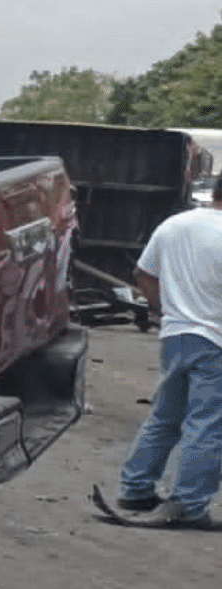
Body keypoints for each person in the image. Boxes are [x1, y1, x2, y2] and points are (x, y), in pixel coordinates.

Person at [114, 184, 222, 528]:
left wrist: (166, 308)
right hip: (216, 341)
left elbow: (144, 275)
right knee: (206, 424)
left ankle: (135, 489)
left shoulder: (174, 225)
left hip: (175, 337)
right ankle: (189, 504)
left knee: (166, 416)